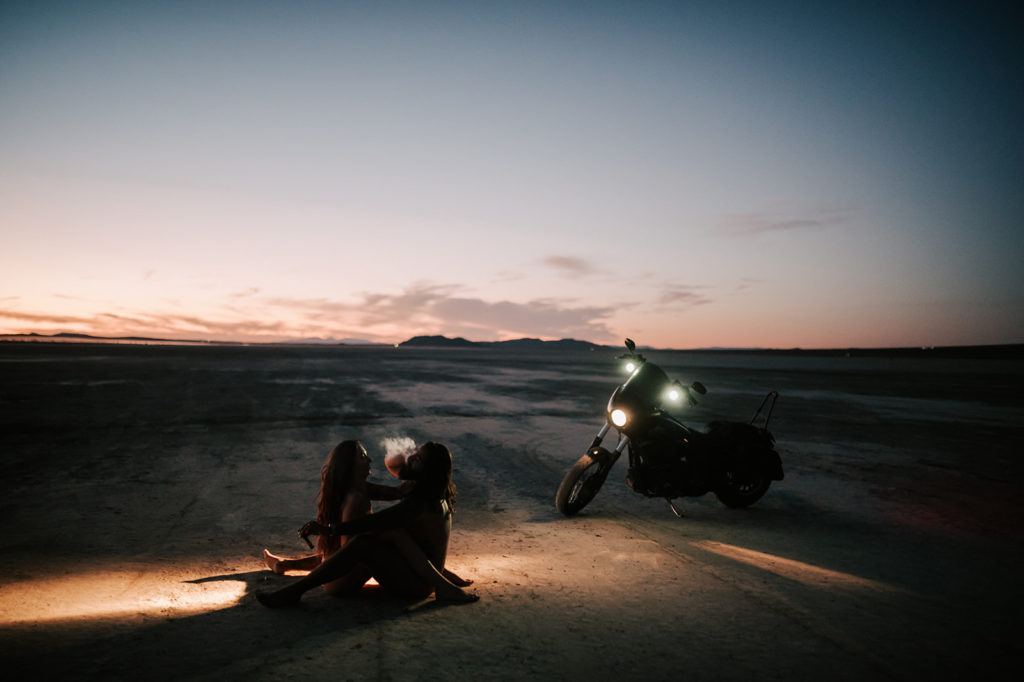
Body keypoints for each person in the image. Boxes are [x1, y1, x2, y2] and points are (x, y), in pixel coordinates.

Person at [257, 441, 477, 606]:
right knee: (386, 536)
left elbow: (375, 522)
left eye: (417, 459)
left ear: (428, 472)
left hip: (417, 586)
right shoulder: (432, 494)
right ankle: (443, 583)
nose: (410, 458)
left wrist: (330, 529)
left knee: (369, 540)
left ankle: (296, 590)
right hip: (417, 576)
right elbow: (419, 546)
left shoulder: (419, 504)